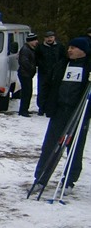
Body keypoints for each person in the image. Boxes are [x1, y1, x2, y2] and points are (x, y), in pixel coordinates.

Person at [33, 37, 91, 193]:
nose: (70, 50)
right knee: (50, 145)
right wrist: (45, 103)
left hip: (78, 113)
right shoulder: (62, 65)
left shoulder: (88, 67)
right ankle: (41, 178)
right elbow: (48, 84)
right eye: (69, 47)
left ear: (83, 51)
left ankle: (69, 181)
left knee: (75, 148)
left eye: (74, 48)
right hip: (59, 111)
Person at [35, 31, 66, 115]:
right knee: (42, 90)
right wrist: (42, 65)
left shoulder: (60, 46)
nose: (49, 39)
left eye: (51, 37)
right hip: (44, 72)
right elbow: (36, 58)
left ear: (54, 38)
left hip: (56, 73)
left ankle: (51, 108)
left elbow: (64, 58)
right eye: (48, 37)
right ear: (44, 38)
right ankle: (41, 108)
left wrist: (59, 67)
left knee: (54, 91)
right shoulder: (40, 47)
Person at [17, 33, 38, 117]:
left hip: (27, 73)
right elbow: (24, 62)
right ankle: (23, 110)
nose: (36, 42)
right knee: (26, 92)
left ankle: (25, 109)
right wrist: (32, 68)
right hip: (25, 73)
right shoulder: (25, 50)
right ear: (30, 41)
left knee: (28, 92)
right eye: (34, 40)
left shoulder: (30, 49)